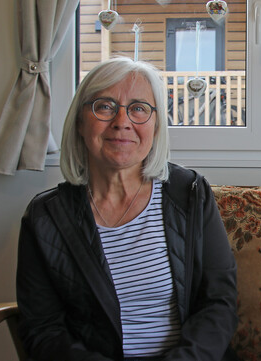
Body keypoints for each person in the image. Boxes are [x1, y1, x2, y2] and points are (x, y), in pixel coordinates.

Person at [16, 57, 238, 361]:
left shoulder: (190, 192)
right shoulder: (45, 218)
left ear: (156, 126)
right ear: (80, 123)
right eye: (104, 107)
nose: (122, 122)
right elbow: (43, 329)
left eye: (138, 108)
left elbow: (219, 303)